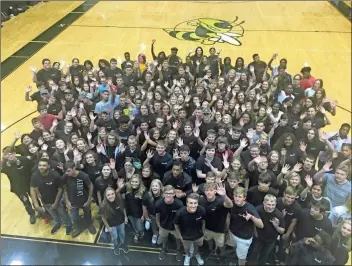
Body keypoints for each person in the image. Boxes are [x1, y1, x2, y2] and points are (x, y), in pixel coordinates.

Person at [30, 158, 72, 235]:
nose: (41, 167)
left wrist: (56, 203)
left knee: (63, 214)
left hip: (57, 200)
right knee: (53, 215)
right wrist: (36, 204)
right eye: (40, 165)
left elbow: (60, 189)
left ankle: (68, 225)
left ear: (48, 166)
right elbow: (32, 188)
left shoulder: (55, 175)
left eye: (44, 165)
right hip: (45, 201)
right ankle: (58, 223)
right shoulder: (35, 175)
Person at [227, 187, 264, 266]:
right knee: (235, 249)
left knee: (241, 258)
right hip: (232, 233)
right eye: (235, 196)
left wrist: (252, 217)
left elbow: (261, 225)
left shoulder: (249, 208)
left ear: (244, 198)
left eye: (239, 197)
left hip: (243, 238)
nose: (237, 199)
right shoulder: (232, 204)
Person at [1, 147, 36, 224]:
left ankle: (40, 211)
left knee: (35, 199)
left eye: (11, 154)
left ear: (14, 153)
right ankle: (31, 214)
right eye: (7, 155)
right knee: (25, 202)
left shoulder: (24, 159)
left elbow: (33, 168)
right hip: (18, 188)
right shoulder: (5, 166)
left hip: (29, 184)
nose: (9, 156)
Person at [248, 194, 285, 265]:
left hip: (270, 240)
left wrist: (276, 226)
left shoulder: (278, 214)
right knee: (253, 254)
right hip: (258, 237)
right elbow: (250, 222)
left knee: (264, 256)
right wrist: (254, 231)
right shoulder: (257, 210)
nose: (271, 207)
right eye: (268, 204)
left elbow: (282, 230)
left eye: (273, 205)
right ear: (264, 203)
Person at [63, 161, 96, 238]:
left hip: (84, 200)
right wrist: (67, 200)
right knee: (73, 217)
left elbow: (91, 187)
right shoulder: (65, 176)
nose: (67, 173)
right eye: (65, 171)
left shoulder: (83, 175)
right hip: (73, 201)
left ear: (74, 168)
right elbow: (64, 189)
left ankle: (89, 224)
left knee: (87, 214)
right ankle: (77, 228)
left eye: (68, 171)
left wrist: (89, 200)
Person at [199, 183, 233, 257]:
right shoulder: (202, 200)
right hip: (207, 228)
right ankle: (211, 250)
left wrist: (224, 195)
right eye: (207, 190)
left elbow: (230, 205)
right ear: (204, 191)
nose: (209, 192)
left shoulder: (220, 201)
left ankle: (221, 255)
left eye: (211, 190)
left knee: (221, 245)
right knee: (209, 240)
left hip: (219, 230)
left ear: (215, 191)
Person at [174, 193, 206, 266]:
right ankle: (188, 255)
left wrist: (203, 233)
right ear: (187, 203)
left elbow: (203, 222)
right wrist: (180, 236)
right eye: (191, 203)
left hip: (198, 235)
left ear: (198, 203)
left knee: (197, 247)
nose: (193, 205)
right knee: (187, 248)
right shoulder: (180, 213)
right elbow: (176, 224)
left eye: (195, 203)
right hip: (185, 236)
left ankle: (196, 254)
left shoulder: (201, 210)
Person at [155, 185, 184, 261]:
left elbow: (181, 217)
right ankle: (164, 248)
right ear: (163, 194)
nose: (168, 195)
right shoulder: (158, 204)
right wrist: (159, 226)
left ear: (174, 194)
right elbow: (157, 215)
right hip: (164, 226)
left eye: (171, 193)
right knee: (164, 238)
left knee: (178, 239)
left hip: (176, 227)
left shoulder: (179, 204)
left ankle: (178, 250)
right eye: (167, 193)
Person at [100, 187, 129, 255]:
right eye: (108, 195)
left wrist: (125, 217)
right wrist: (107, 227)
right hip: (111, 225)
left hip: (121, 222)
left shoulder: (119, 200)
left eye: (112, 194)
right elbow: (103, 217)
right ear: (105, 196)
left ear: (115, 194)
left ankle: (123, 243)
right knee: (114, 236)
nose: (111, 196)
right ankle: (115, 245)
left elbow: (123, 208)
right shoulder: (103, 205)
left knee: (122, 234)